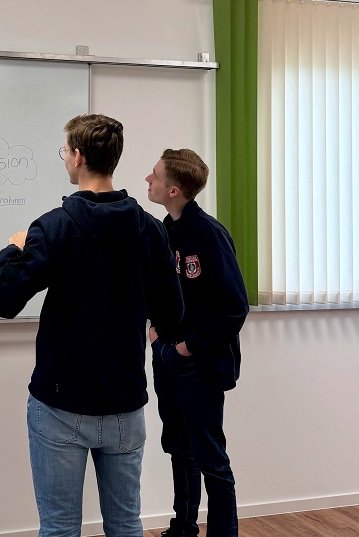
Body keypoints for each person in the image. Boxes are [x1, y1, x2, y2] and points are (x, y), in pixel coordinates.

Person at [0, 114, 184, 537]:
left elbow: (3, 300)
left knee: (60, 527)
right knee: (126, 524)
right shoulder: (151, 230)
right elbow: (172, 316)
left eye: (66, 151)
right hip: (125, 403)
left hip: (60, 405)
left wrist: (12, 250)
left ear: (77, 157)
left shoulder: (53, 227)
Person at [145, 148, 249, 537]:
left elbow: (234, 307)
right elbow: (160, 291)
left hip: (199, 363)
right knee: (178, 447)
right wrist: (157, 335)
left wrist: (187, 347)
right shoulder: (164, 231)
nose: (147, 180)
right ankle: (184, 528)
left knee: (211, 460)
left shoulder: (209, 234)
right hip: (167, 356)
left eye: (155, 175)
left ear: (174, 190)